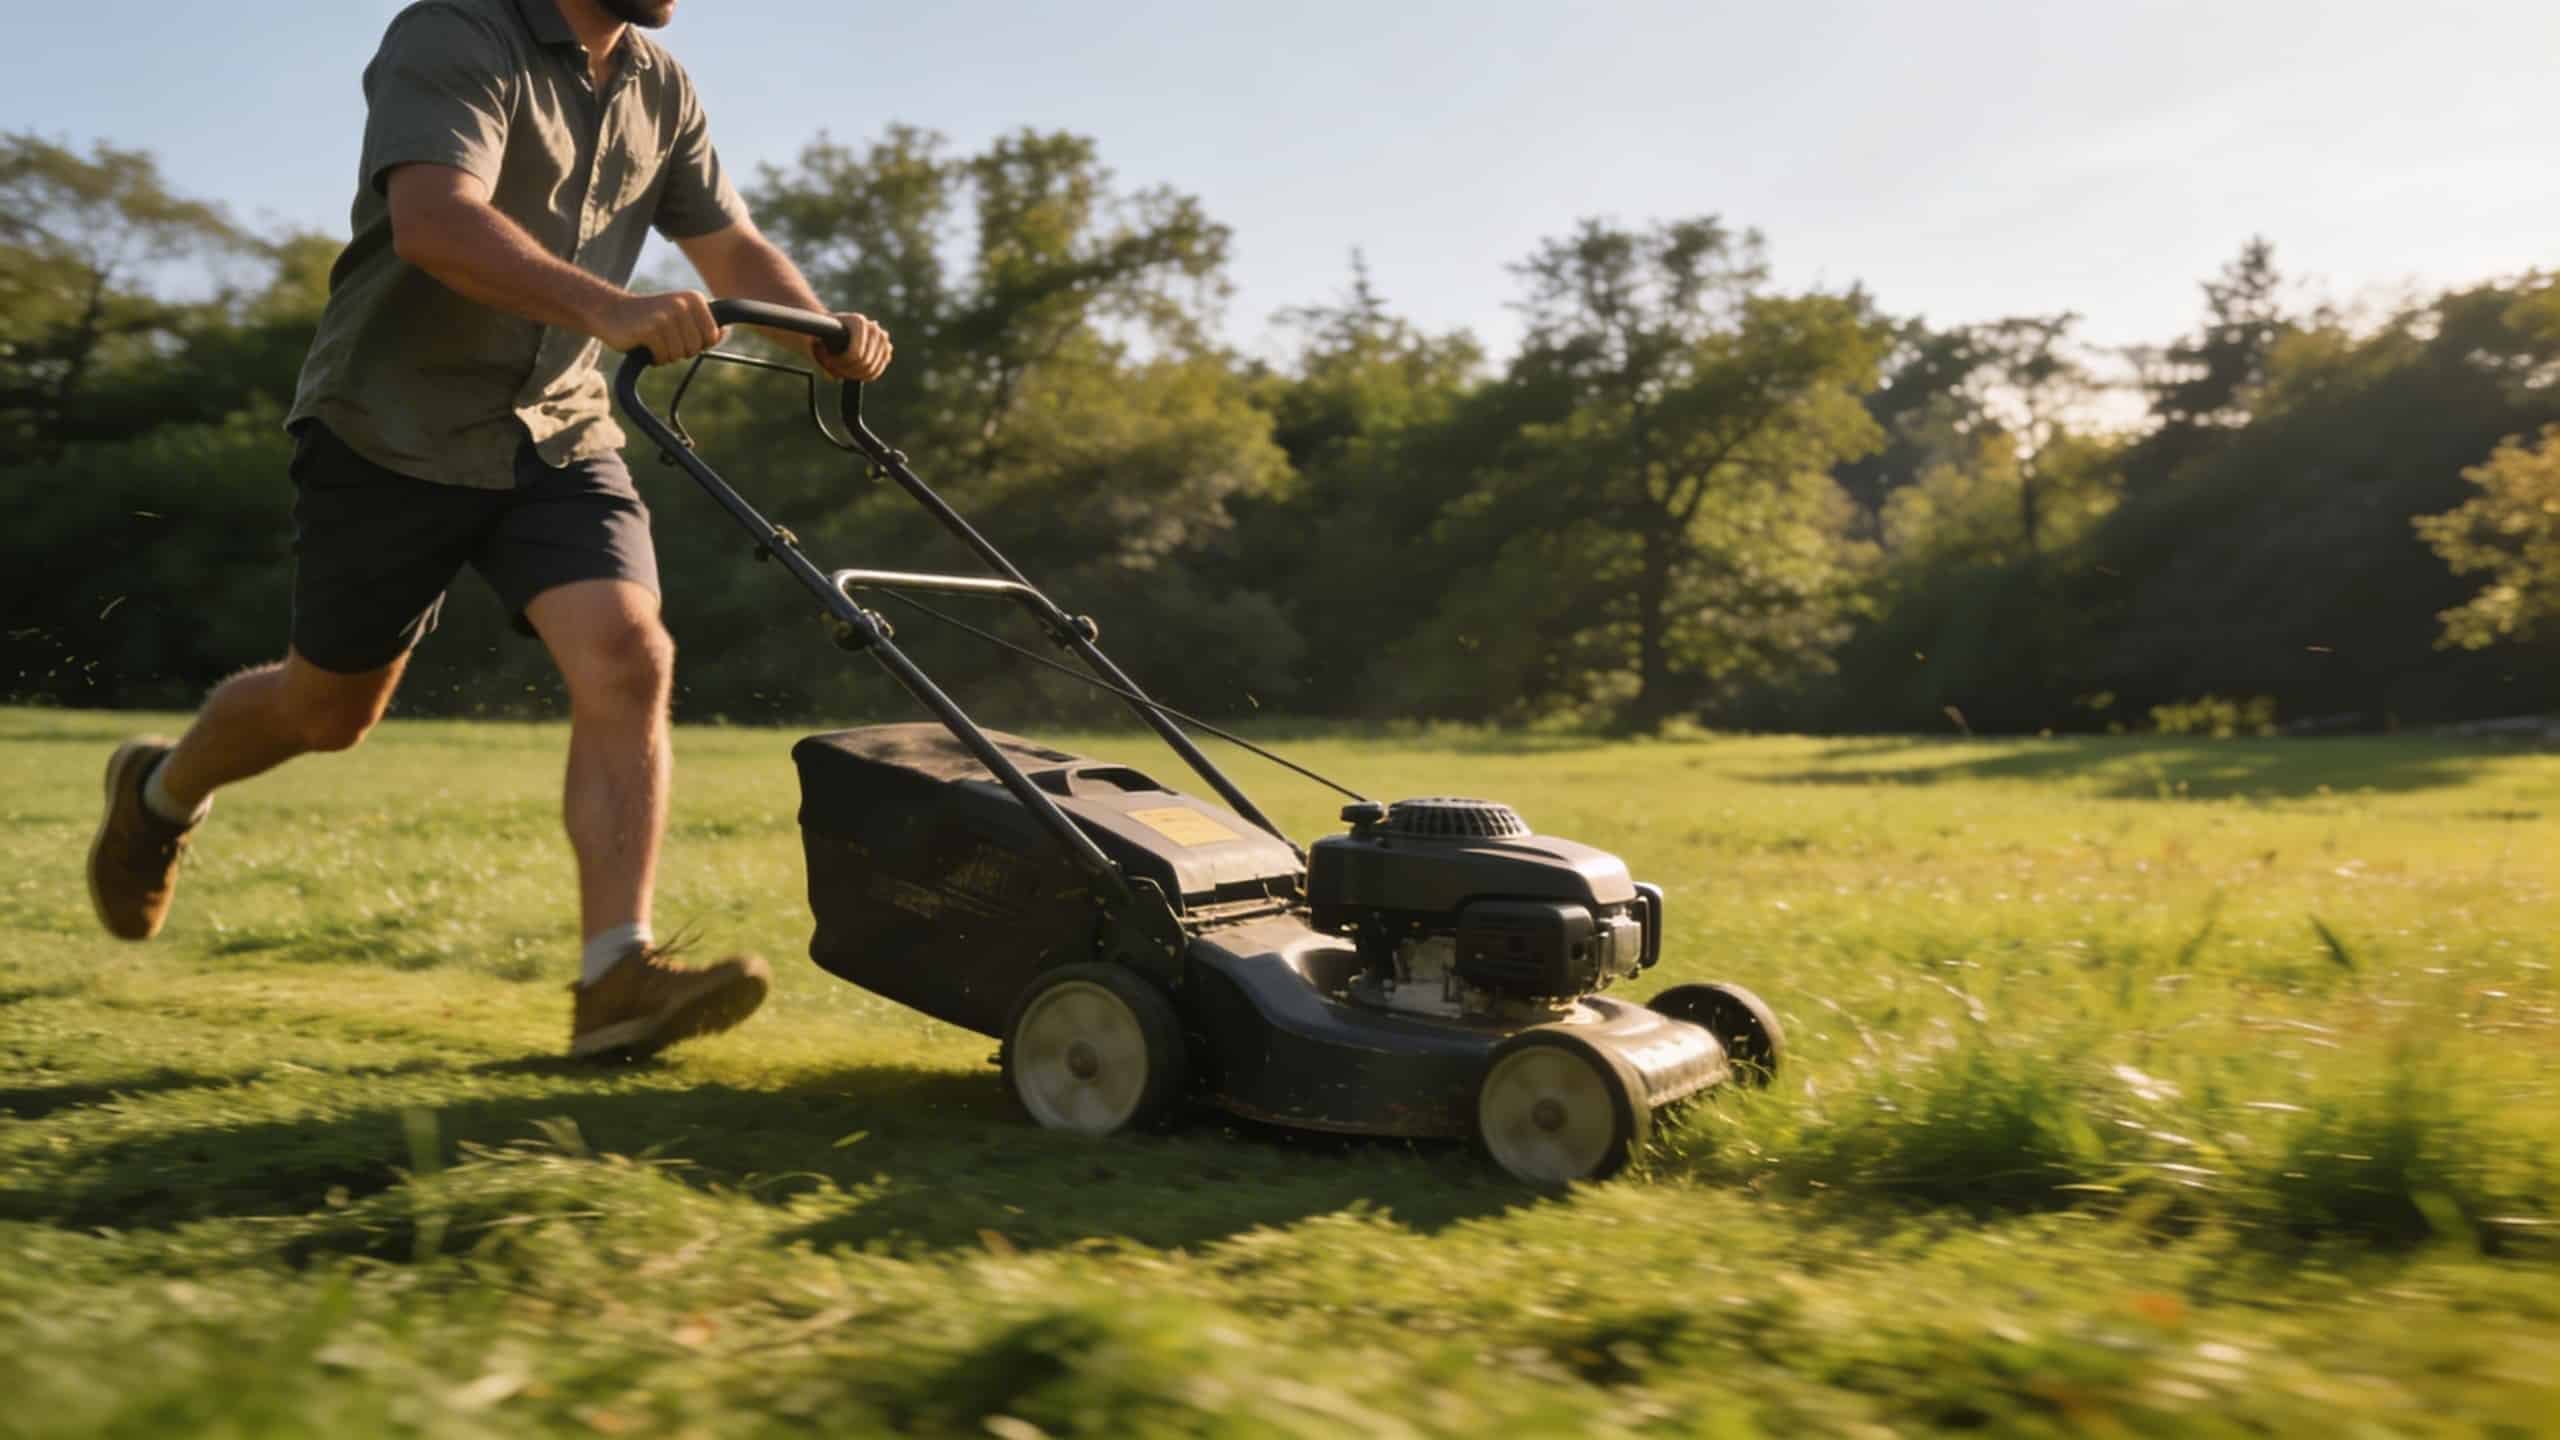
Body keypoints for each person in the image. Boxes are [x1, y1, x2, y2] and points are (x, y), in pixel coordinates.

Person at [83, 0, 892, 1060]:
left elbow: (725, 239)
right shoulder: (454, 32)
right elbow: (435, 222)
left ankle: (615, 975)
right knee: (327, 713)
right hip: (390, 431)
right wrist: (608, 308)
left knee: (629, 651)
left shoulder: (660, 83)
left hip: (557, 433)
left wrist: (819, 329)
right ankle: (159, 794)